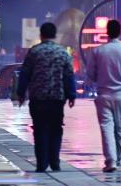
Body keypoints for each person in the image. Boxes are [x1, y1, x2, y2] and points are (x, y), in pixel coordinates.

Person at [16, 22, 76, 172]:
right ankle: (55, 162)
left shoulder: (34, 52)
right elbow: (69, 75)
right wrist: (71, 95)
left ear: (41, 35)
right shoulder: (63, 53)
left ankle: (42, 163)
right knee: (56, 129)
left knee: (39, 129)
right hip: (57, 98)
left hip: (38, 98)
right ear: (55, 35)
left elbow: (25, 74)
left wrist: (21, 93)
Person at [87, 19, 121, 172]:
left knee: (106, 127)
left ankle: (111, 160)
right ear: (120, 32)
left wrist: (98, 80)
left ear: (107, 32)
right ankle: (119, 158)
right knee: (118, 128)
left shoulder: (98, 51)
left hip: (103, 94)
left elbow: (90, 73)